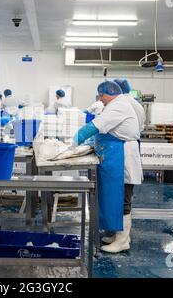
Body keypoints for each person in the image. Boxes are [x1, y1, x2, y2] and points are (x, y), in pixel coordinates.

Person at [73, 80, 142, 253]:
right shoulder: (119, 104)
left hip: (123, 157)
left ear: (106, 94)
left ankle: (123, 240)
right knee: (116, 198)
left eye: (100, 96)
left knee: (123, 198)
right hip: (117, 154)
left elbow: (96, 126)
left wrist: (75, 139)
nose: (100, 100)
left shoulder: (118, 106)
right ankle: (118, 235)